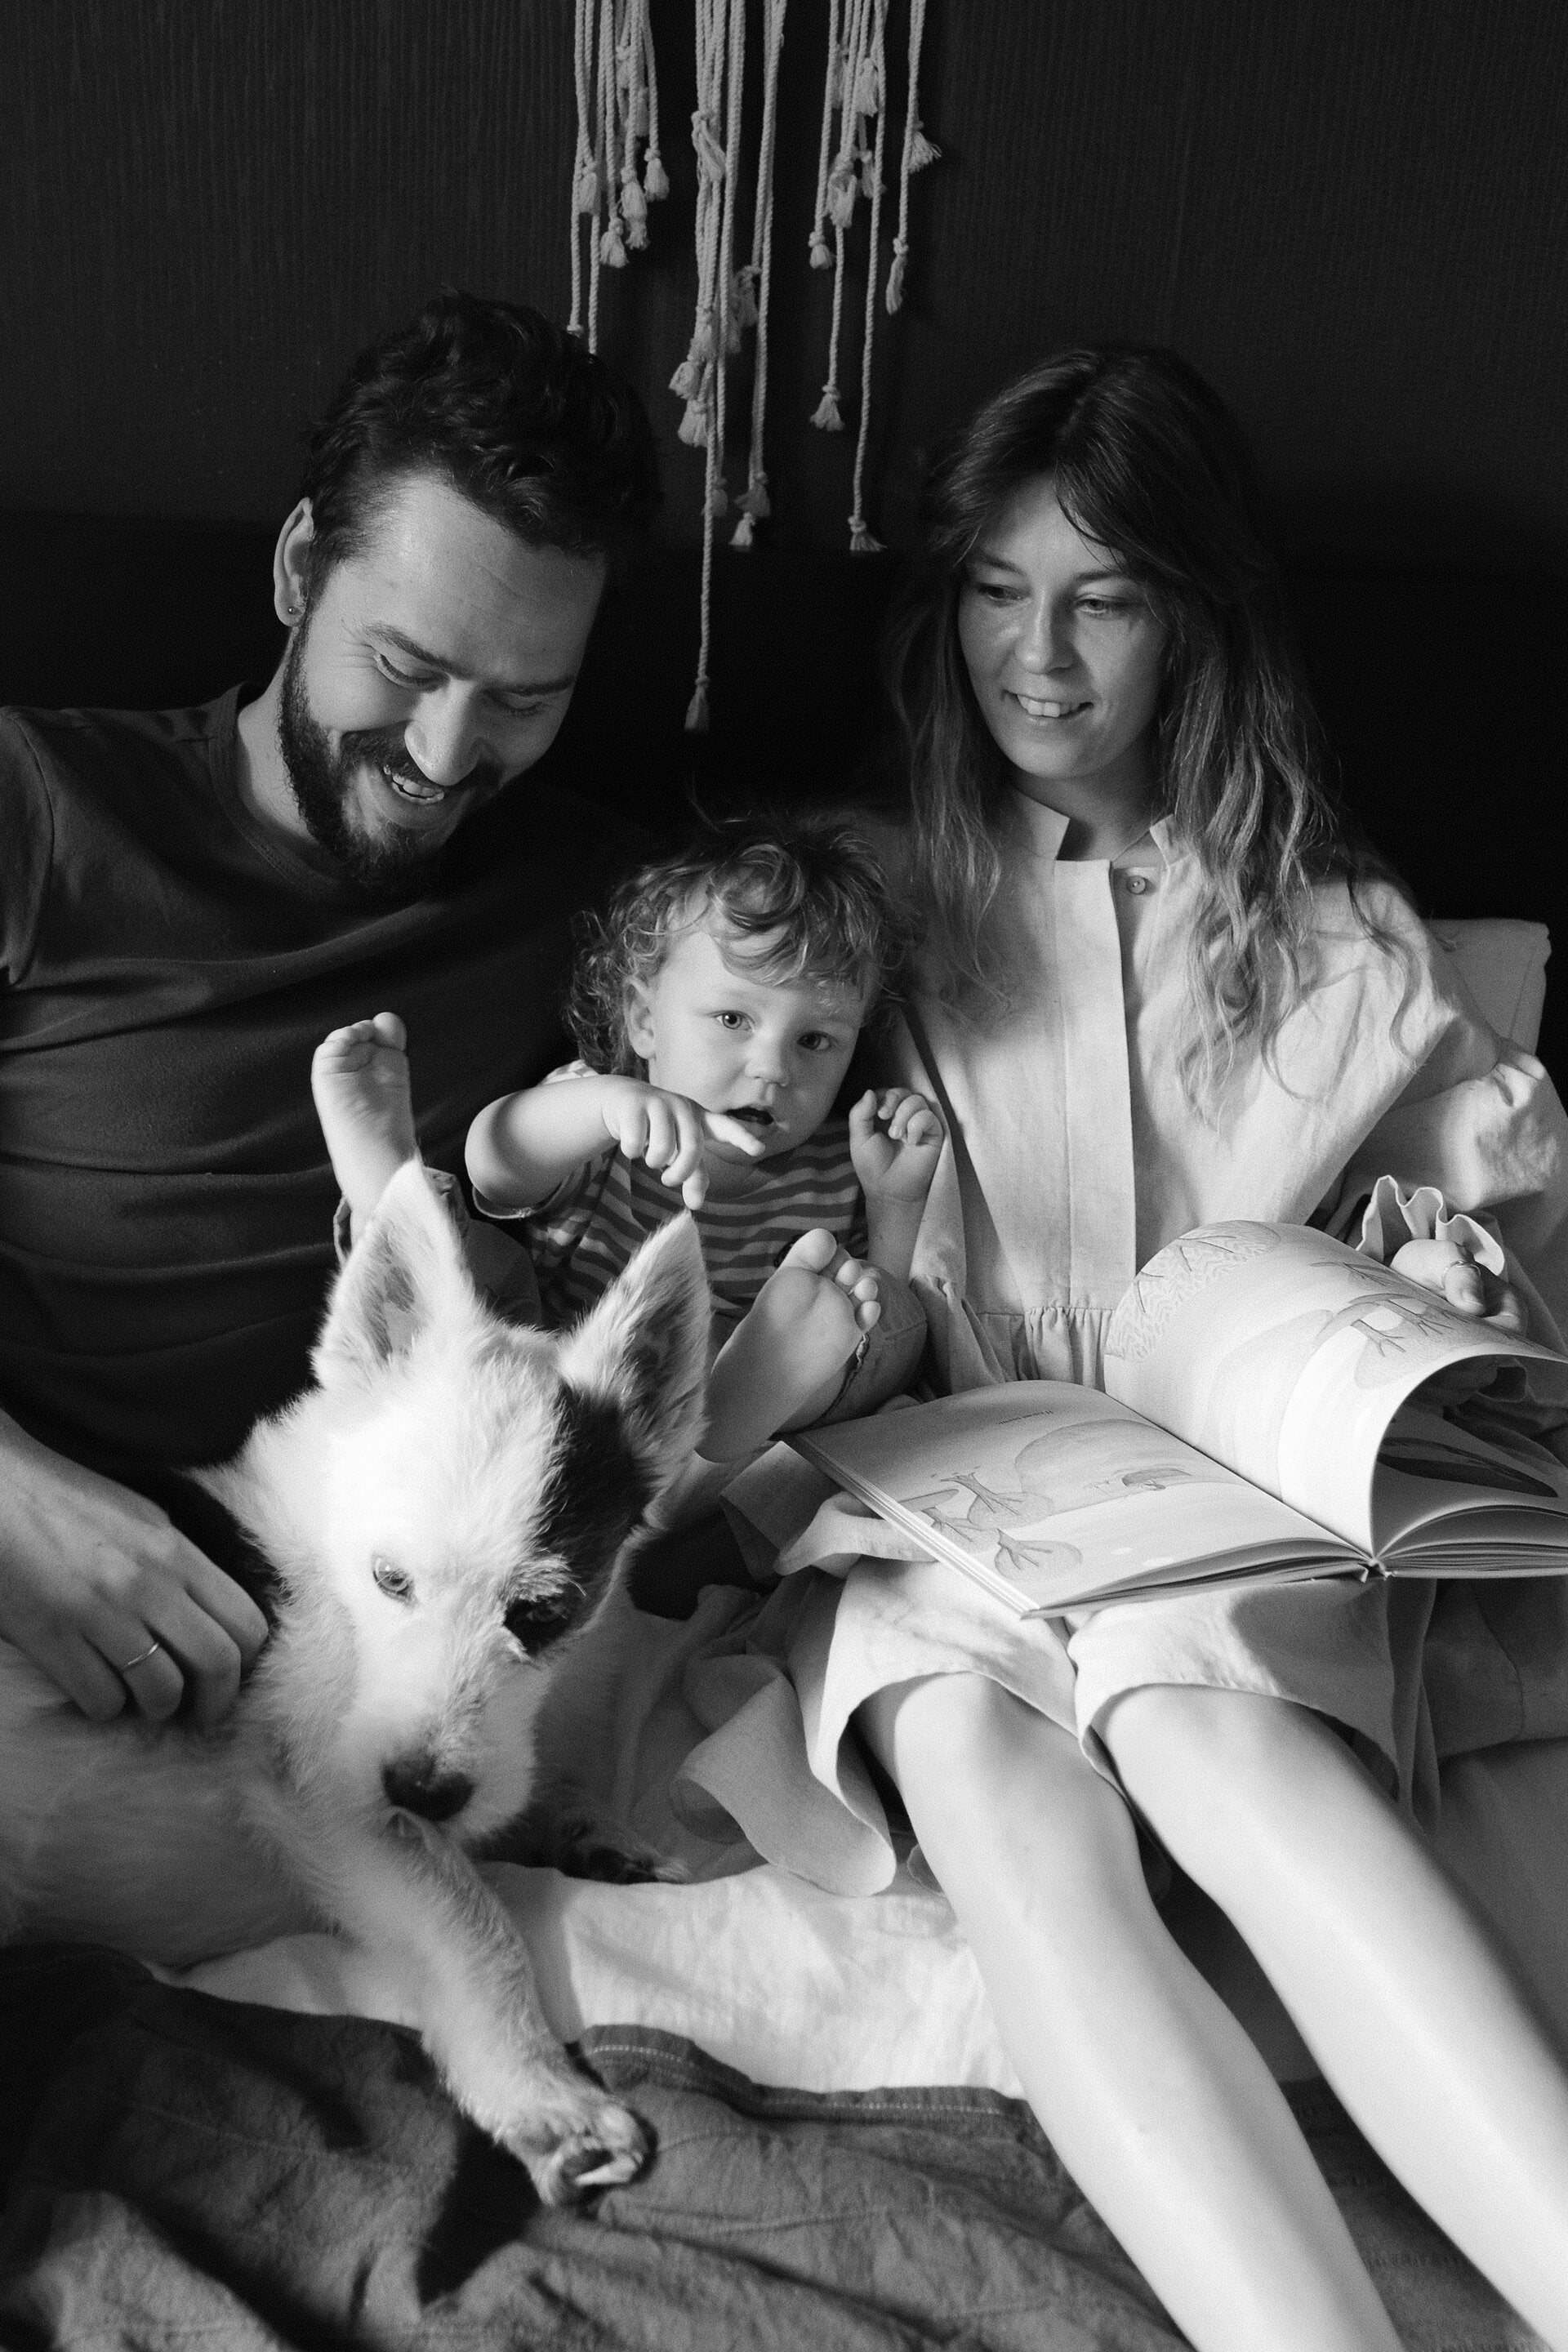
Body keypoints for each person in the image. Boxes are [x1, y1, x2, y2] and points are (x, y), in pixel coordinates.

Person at [678, 349, 1568, 2350]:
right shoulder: (849, 910)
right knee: (989, 1778)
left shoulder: (1344, 945)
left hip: (1219, 1505)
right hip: (935, 1492)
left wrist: (1450, 1280)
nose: (1041, 656)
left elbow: (1472, 1279)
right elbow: (682, 1154)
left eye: (1104, 599)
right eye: (998, 593)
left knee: (1214, 1726)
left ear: (1194, 620)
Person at [0, 290, 658, 1732]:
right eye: (407, 668)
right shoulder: (40, 805)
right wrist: (14, 1508)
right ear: (302, 567)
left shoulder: (605, 908)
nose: (446, 754)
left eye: (523, 701)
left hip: (357, 1644)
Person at [311, 816, 944, 1468]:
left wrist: (893, 1200)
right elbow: (493, 1169)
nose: (774, 1067)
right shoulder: (606, 1122)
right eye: (733, 1018)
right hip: (546, 1396)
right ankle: (390, 1190)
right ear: (644, 1019)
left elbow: (881, 1313)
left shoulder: (838, 1166)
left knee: (871, 1321)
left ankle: (731, 1401)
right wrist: (609, 1107)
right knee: (482, 1272)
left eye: (815, 1040)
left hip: (724, 1451)